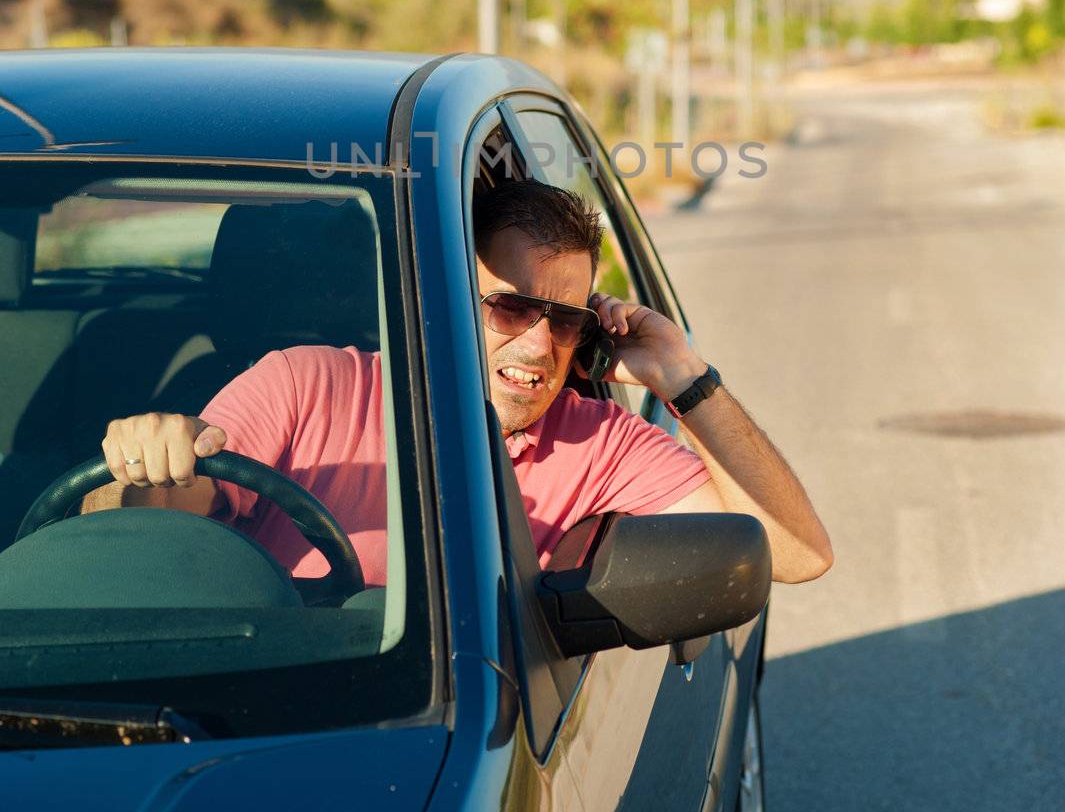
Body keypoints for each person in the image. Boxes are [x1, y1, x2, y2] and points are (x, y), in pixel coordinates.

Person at [82, 182, 832, 585]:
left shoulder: (598, 441)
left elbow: (798, 557)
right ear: (438, 299)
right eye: (511, 306)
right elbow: (154, 515)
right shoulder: (303, 383)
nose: (540, 344)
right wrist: (147, 466)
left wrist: (686, 379)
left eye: (568, 320)